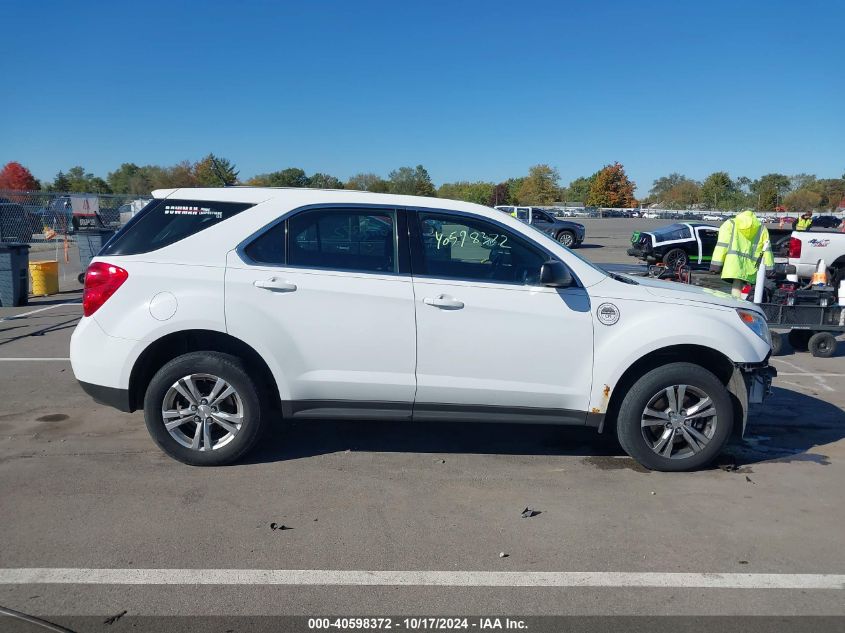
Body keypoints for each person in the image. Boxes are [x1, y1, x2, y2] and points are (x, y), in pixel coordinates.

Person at [710, 209, 775, 298]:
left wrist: (716, 265)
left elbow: (722, 246)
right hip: (752, 267)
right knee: (751, 292)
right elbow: (766, 250)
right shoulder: (761, 228)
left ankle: (737, 306)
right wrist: (769, 269)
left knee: (736, 289)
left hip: (733, 264)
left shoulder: (730, 224)